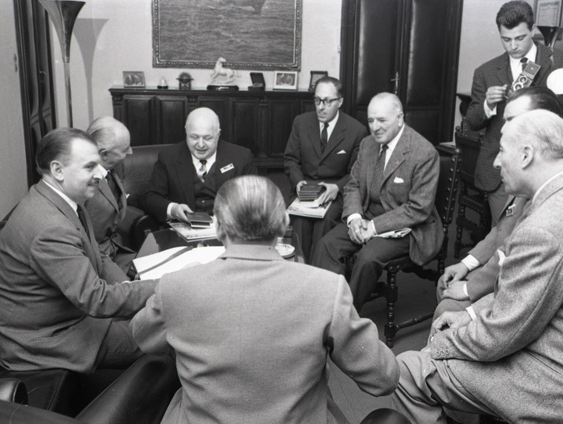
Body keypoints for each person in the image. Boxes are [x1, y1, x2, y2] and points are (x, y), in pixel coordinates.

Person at [392, 110, 563, 423]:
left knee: (408, 370)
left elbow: (500, 337)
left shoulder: (542, 229)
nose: (496, 162)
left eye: (501, 151)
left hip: (562, 385)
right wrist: (468, 317)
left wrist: (440, 344)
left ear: (526, 155)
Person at [130, 175, 399, 424]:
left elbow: (141, 337)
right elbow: (384, 378)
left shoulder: (177, 286)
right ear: (283, 224)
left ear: (219, 228)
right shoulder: (327, 289)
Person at [0, 128, 157, 373]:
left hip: (67, 318)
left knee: (156, 318)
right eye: (90, 167)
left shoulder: (61, 199)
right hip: (45, 340)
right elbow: (96, 299)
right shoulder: (49, 227)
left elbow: (97, 253)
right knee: (164, 333)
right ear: (58, 170)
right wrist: (163, 285)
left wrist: (129, 286)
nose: (100, 174)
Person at [434, 86, 563, 319]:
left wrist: (469, 290)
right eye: (505, 120)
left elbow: (524, 271)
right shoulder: (529, 167)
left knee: (447, 307)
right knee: (445, 288)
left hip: (528, 293)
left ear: (546, 123)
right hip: (509, 275)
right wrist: (467, 263)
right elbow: (503, 229)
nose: (504, 128)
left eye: (513, 120)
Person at [312, 92, 443, 310]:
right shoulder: (367, 144)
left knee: (367, 258)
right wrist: (355, 218)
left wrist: (373, 227)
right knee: (327, 245)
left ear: (399, 118)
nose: (375, 127)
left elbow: (418, 209)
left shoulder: (424, 153)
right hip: (366, 215)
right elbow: (353, 184)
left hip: (408, 227)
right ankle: (325, 306)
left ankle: (345, 315)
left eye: (382, 120)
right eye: (371, 120)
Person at [465, 0, 563, 225]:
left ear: (532, 29)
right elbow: (472, 121)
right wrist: (487, 105)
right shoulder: (486, 71)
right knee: (504, 234)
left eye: (520, 38)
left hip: (547, 166)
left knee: (543, 230)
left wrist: (540, 98)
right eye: (506, 39)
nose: (513, 46)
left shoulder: (559, 61)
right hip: (502, 172)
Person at [283, 76, 368, 263]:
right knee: (301, 221)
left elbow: (355, 173)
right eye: (317, 100)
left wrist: (337, 187)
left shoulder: (356, 130)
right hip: (305, 189)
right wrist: (298, 181)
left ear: (340, 102)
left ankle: (321, 271)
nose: (321, 107)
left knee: (326, 221)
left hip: (335, 191)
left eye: (328, 101)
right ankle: (301, 269)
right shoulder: (301, 122)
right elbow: (290, 159)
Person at [140, 107, 256, 223]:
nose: (200, 145)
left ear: (218, 134)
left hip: (228, 228)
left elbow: (255, 199)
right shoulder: (168, 157)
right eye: (194, 137)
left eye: (207, 138)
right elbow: (150, 197)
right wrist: (173, 209)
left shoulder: (241, 157)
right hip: (182, 228)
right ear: (186, 132)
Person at [84, 116, 135, 272]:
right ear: (104, 154)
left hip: (117, 251)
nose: (130, 152)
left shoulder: (111, 170)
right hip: (96, 262)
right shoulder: (85, 184)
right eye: (124, 150)